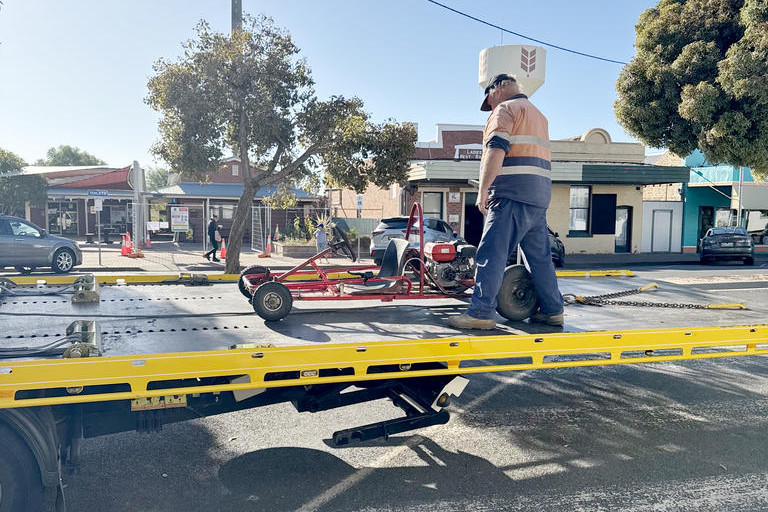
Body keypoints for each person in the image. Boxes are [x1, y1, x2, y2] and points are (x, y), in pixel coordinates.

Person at [448, 73, 564, 330]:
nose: (489, 107)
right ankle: (553, 311)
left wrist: (483, 191)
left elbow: (495, 150)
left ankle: (480, 313)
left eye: (487, 101)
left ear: (496, 90)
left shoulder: (505, 109)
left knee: (491, 254)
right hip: (538, 195)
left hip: (511, 194)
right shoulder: (538, 115)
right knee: (540, 258)